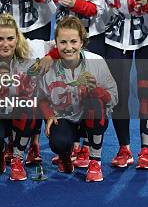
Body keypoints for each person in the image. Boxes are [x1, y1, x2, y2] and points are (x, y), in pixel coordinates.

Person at [0, 14, 55, 181]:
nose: (5, 44)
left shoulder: (33, 50)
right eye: (0, 39)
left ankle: (17, 158)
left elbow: (64, 44)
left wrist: (51, 56)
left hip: (21, 111)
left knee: (28, 103)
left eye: (10, 38)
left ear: (17, 38)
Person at [96, 0, 148, 169]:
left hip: (146, 34)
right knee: (119, 95)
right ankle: (124, 148)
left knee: (145, 91)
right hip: (114, 36)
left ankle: (146, 148)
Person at [41, 17, 118, 181]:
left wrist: (97, 91)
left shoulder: (97, 62)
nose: (68, 47)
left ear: (82, 42)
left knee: (95, 103)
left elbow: (114, 98)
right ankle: (65, 155)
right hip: (65, 117)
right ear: (55, 43)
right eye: (63, 42)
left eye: (73, 41)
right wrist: (48, 114)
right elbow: (40, 97)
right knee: (58, 142)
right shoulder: (48, 67)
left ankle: (94, 162)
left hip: (89, 116)